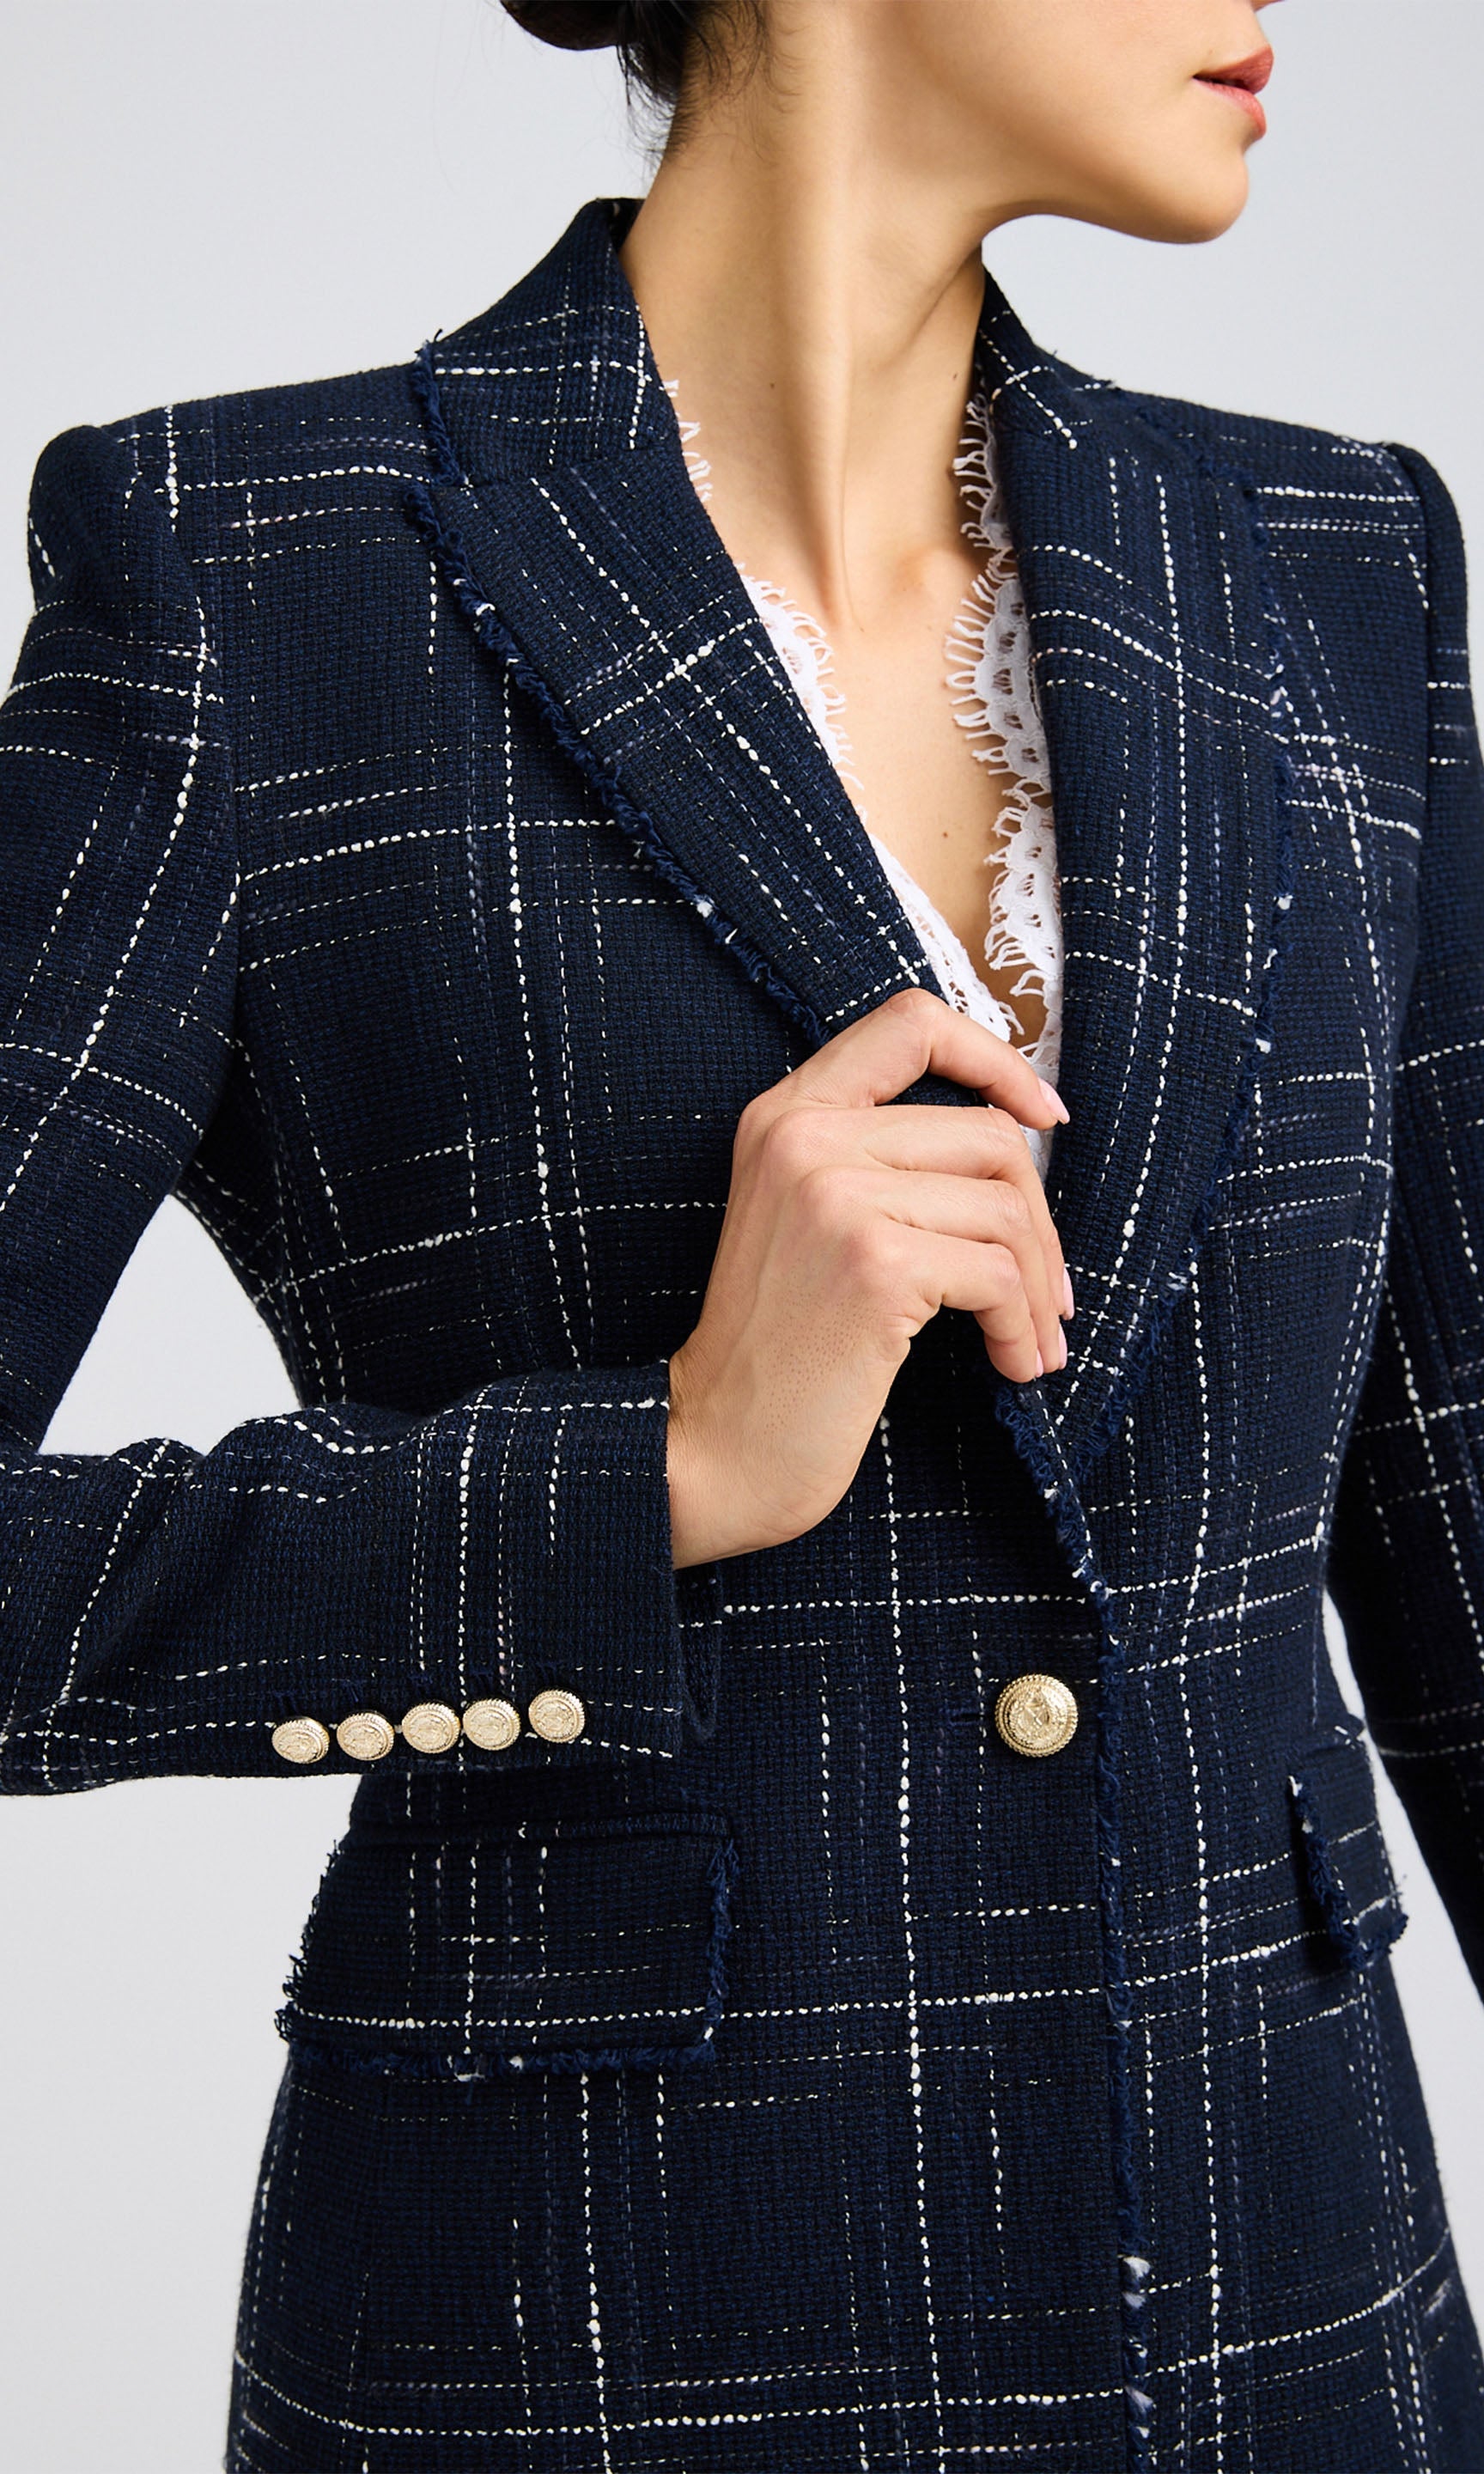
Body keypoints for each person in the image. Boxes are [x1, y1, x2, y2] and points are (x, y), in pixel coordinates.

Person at [2, 0, 1481, 2464]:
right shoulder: (254, 579)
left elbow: (1458, 1516)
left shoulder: (1334, 563)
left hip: (1281, 2318)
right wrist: (654, 1472)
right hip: (579, 2333)